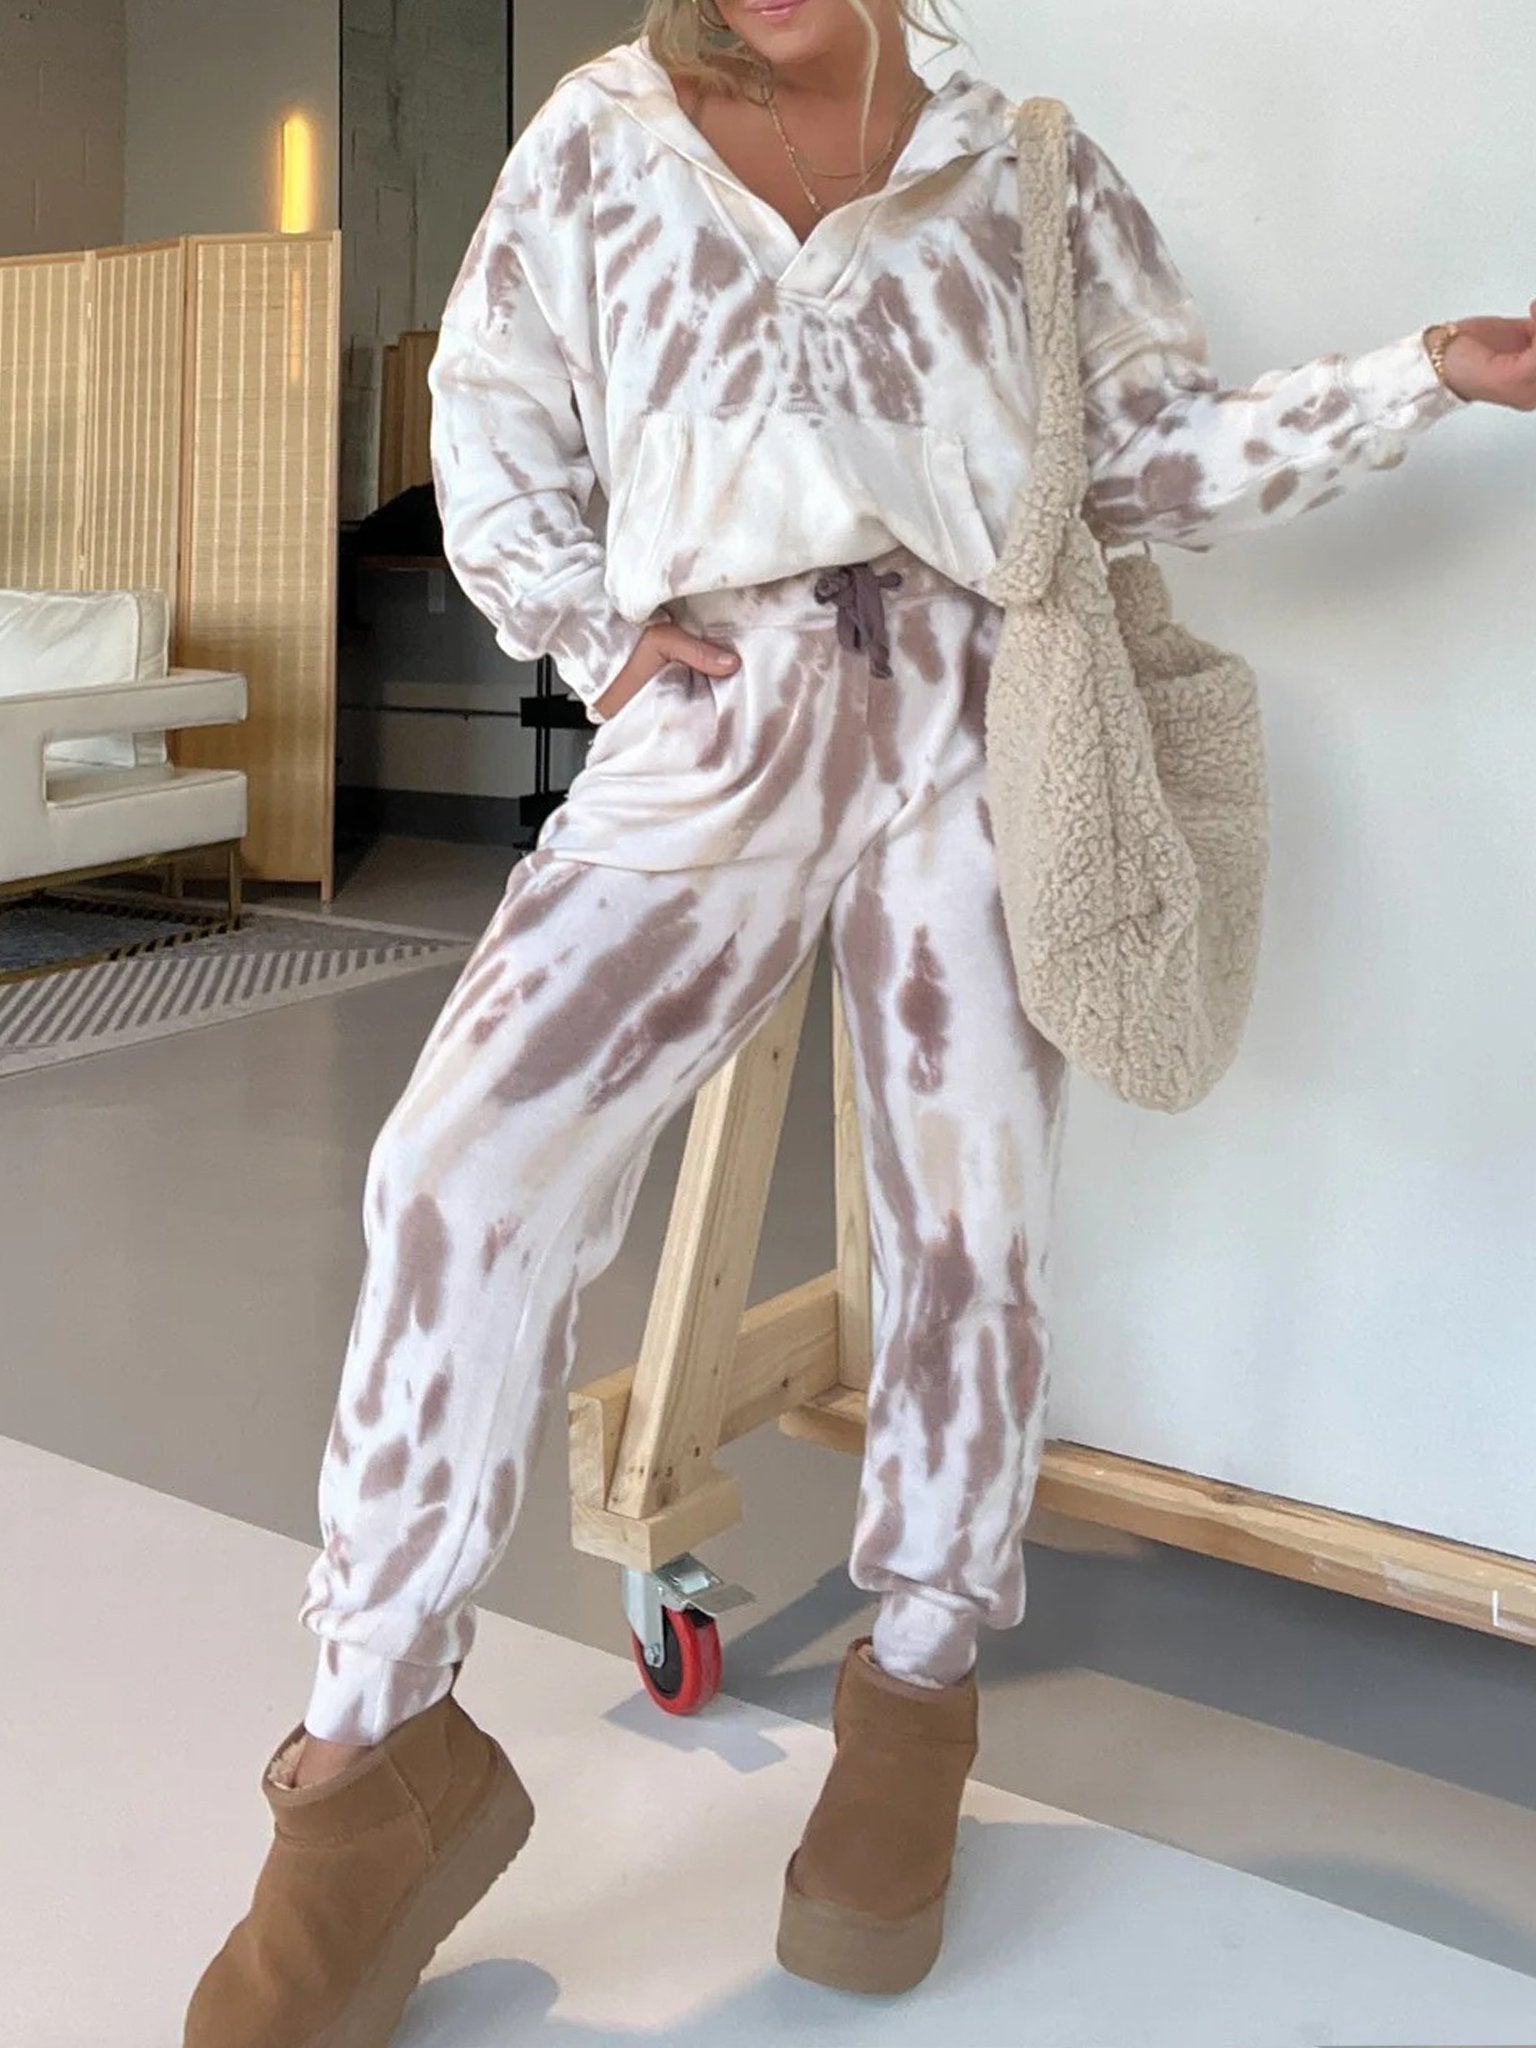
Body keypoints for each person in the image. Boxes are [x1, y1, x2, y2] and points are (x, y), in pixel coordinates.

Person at [185, 2, 1535, 2041]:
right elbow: (493, 406)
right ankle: (368, 1762)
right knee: (457, 1175)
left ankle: (918, 1687)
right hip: (719, 714)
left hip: (984, 721)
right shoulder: (604, 135)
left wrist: (1421, 373)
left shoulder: (1023, 163)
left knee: (970, 1227)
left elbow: (1146, 464)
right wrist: (589, 629)